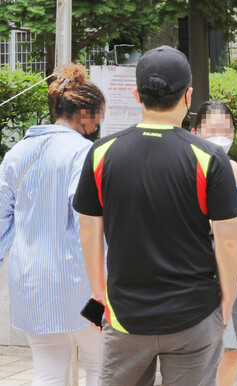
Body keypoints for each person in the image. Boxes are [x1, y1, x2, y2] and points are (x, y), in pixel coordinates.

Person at [73, 46, 237, 384]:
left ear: (137, 94)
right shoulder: (209, 157)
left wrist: (98, 293)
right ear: (189, 95)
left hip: (125, 315)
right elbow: (227, 240)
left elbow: (89, 231)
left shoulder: (102, 152)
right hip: (193, 314)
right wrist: (229, 296)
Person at [0, 63, 103, 386]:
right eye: (98, 116)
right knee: (101, 367)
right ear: (84, 114)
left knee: (47, 371)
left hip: (30, 283)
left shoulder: (17, 153)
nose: (100, 123)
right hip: (82, 285)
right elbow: (89, 223)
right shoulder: (84, 153)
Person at [191, 101, 237, 386]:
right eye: (213, 129)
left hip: (230, 264)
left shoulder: (232, 167)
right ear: (195, 131)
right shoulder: (186, 163)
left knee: (234, 347)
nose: (222, 136)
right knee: (203, 349)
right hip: (201, 266)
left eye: (227, 129)